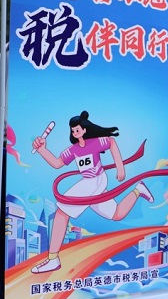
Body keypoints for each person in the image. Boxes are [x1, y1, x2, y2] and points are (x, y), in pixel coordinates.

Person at [30, 112, 154, 273]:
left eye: (77, 130)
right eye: (72, 131)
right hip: (90, 184)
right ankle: (139, 190)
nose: (75, 133)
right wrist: (42, 150)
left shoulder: (95, 143)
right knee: (117, 214)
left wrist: (120, 167)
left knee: (61, 213)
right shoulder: (72, 150)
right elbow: (57, 163)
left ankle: (53, 259)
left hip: (95, 180)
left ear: (84, 129)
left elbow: (111, 142)